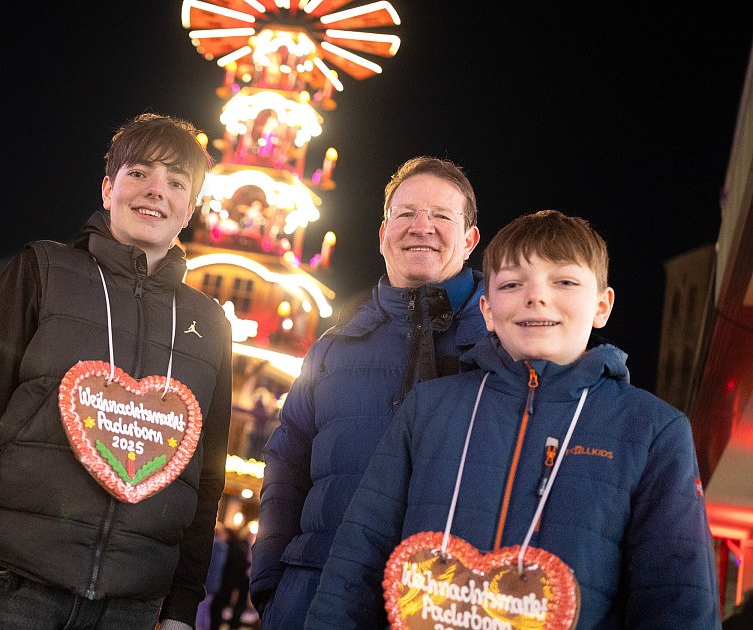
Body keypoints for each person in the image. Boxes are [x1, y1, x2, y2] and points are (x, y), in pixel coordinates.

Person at [306, 210, 720, 628]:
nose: (535, 296)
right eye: (511, 284)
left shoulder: (652, 431)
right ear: (487, 308)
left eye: (564, 281)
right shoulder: (429, 407)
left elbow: (679, 600)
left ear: (602, 306)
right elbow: (356, 559)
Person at [0, 113, 232, 630]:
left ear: (190, 208)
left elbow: (206, 478)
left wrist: (179, 614)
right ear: (108, 188)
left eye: (176, 183)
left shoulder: (210, 324)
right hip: (8, 590)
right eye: (139, 173)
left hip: (133, 609)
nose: (156, 192)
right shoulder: (41, 272)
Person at [249, 156, 487, 628]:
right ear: (383, 234)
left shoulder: (500, 349)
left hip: (442, 605)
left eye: (442, 216)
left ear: (469, 239)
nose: (422, 227)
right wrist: (273, 582)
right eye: (406, 214)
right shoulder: (333, 350)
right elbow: (286, 468)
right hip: (314, 597)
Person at [209, 528, 250, 630]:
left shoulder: (228, 548)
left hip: (225, 584)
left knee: (216, 610)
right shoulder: (237, 548)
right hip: (228, 583)